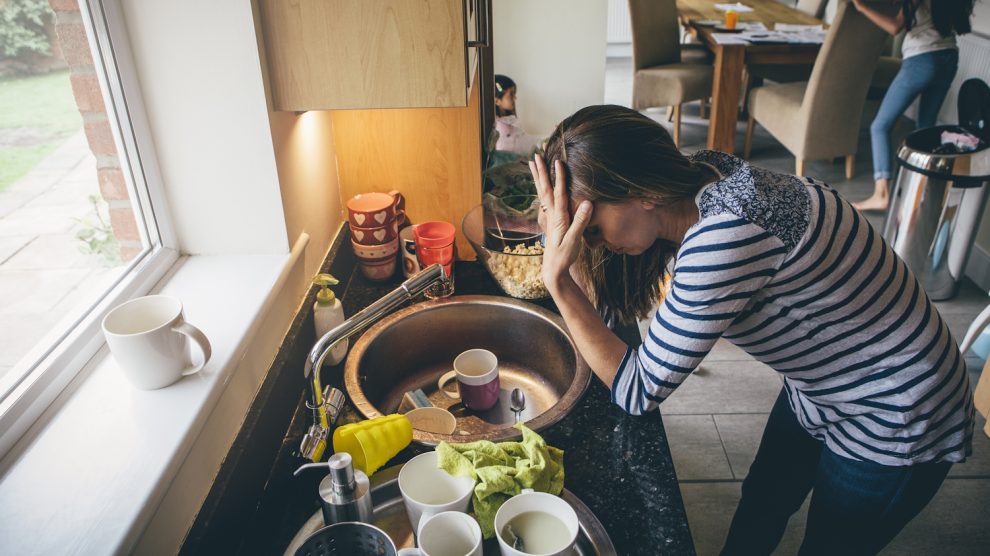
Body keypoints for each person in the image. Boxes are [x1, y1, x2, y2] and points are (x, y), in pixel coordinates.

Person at [529, 105, 974, 554]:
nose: (589, 242)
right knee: (763, 501)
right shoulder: (706, 174)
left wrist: (559, 281)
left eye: (591, 227)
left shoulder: (724, 236)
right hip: (822, 385)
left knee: (829, 545)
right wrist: (564, 241)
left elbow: (635, 389)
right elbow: (605, 316)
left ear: (643, 191)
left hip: (897, 406)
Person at [852, 0, 976, 211]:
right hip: (949, 55)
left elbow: (894, 27)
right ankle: (923, 192)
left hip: (922, 58)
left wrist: (860, 6)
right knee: (926, 127)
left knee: (880, 125)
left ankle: (881, 194)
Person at [494, 74, 538, 156]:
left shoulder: (508, 121)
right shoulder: (501, 129)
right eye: (511, 95)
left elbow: (524, 140)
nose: (515, 98)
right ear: (497, 101)